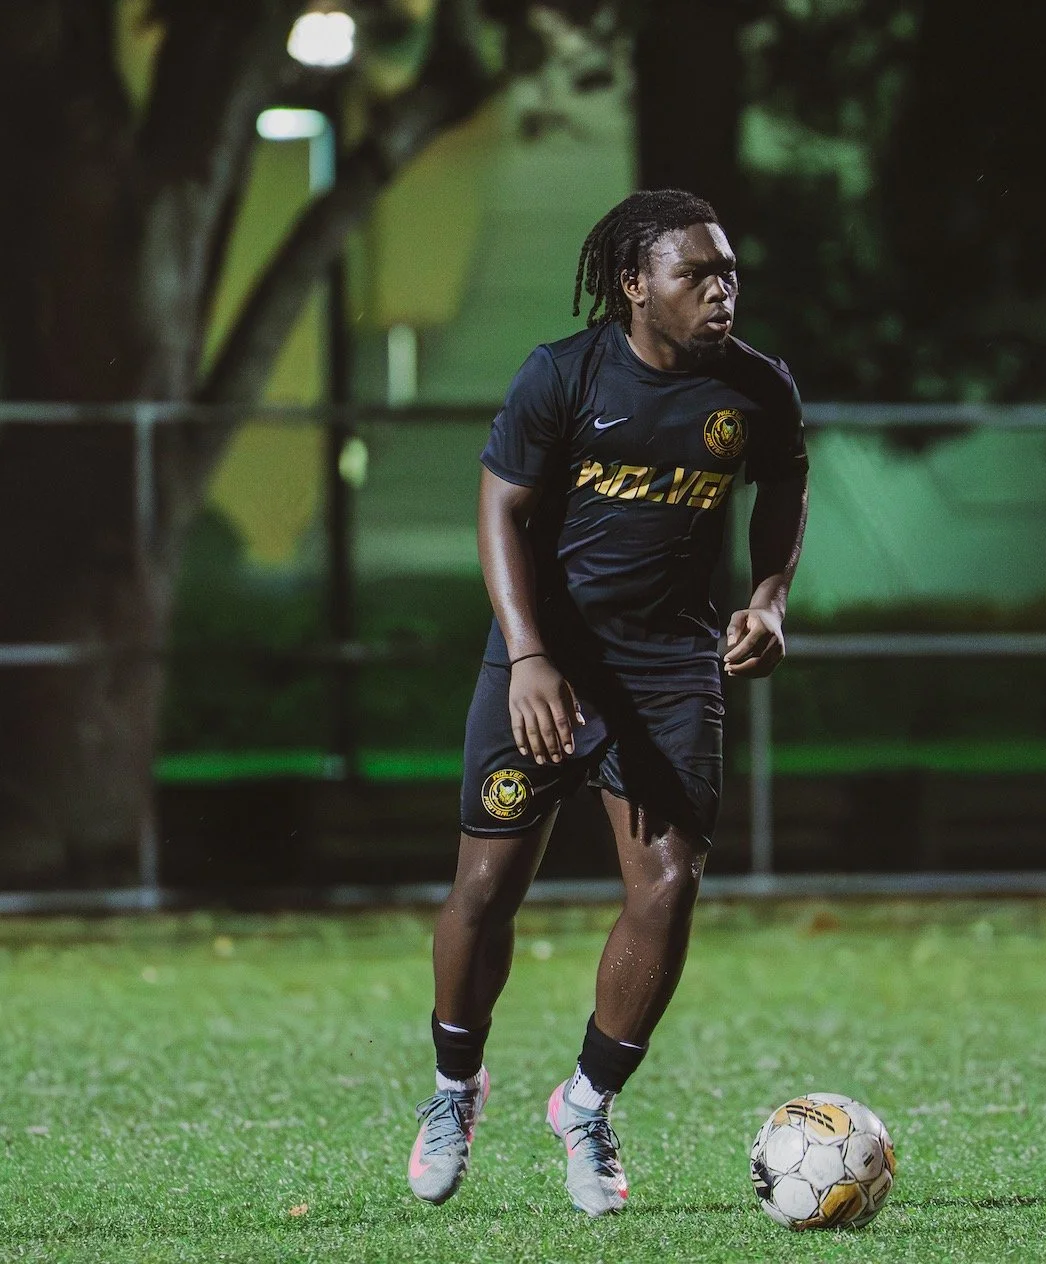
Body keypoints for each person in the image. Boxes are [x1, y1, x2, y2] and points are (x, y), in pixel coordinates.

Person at [407, 188, 809, 1216]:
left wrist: (767, 599)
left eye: (727, 272)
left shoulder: (755, 387)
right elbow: (499, 506)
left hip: (671, 667)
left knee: (668, 883)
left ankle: (585, 1103)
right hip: (546, 662)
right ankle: (455, 1087)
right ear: (635, 286)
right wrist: (530, 653)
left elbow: (785, 486)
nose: (720, 291)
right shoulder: (564, 375)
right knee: (485, 889)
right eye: (696, 274)